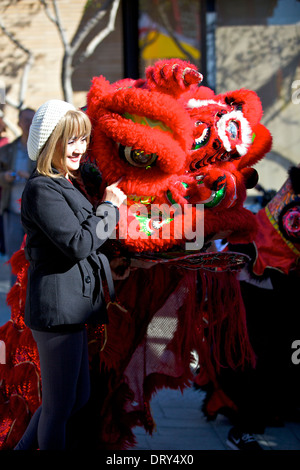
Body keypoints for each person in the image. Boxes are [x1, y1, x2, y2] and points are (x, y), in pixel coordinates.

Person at [14, 99, 126, 450]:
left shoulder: (62, 182)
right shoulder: (41, 188)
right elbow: (79, 243)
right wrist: (109, 207)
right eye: (71, 140)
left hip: (72, 307)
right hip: (56, 310)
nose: (80, 148)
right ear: (52, 142)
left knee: (73, 400)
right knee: (59, 407)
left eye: (82, 139)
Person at [0, 108, 36, 282]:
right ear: (19, 122)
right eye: (26, 120)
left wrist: (29, 177)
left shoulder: (40, 149)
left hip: (34, 212)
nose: (29, 124)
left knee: (34, 257)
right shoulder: (8, 150)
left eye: (32, 120)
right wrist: (5, 177)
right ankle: (16, 296)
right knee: (14, 256)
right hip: (13, 210)